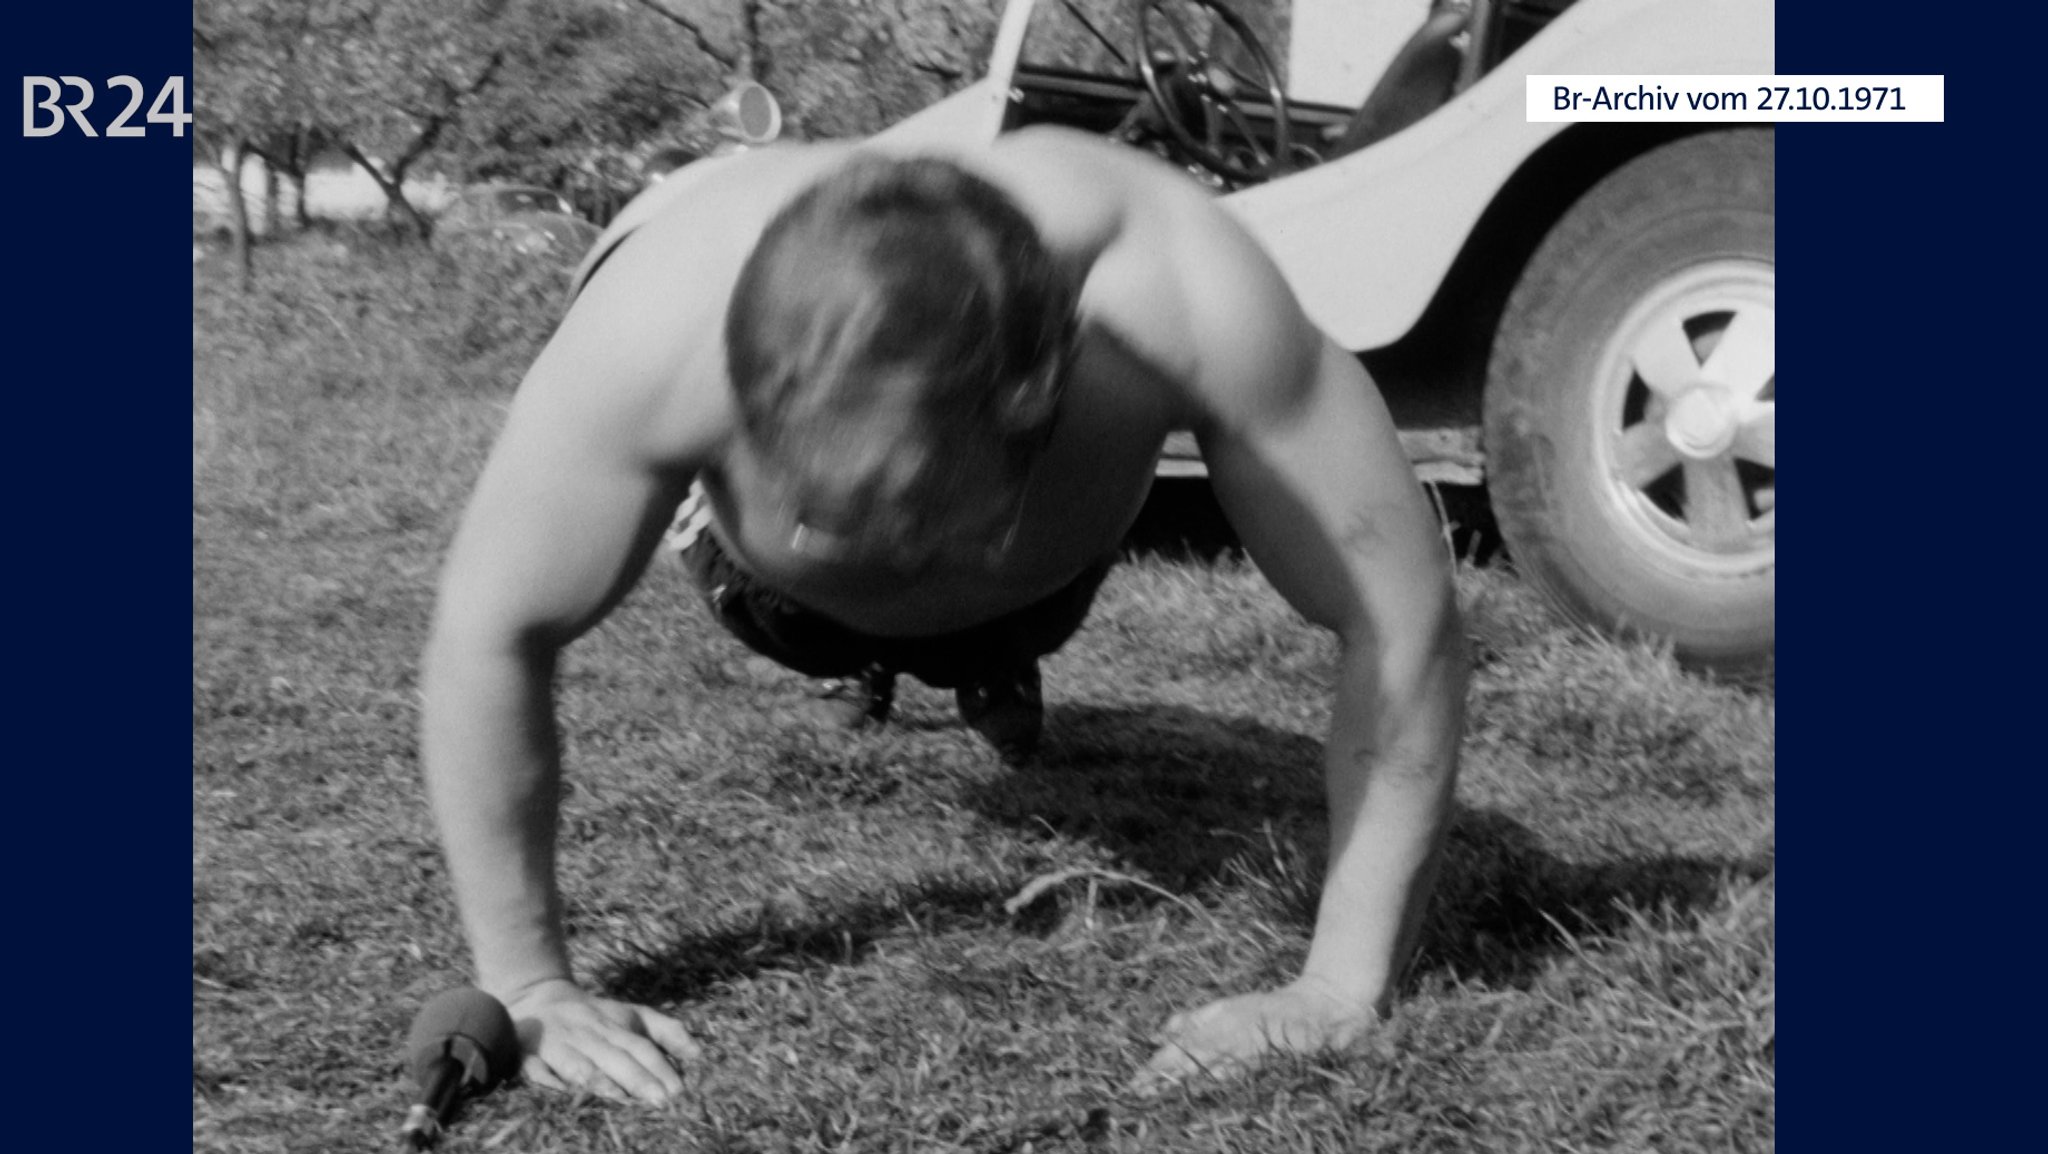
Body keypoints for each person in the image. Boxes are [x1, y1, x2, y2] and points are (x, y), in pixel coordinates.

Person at [420, 125, 1468, 1106]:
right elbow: (487, 630)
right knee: (830, 591)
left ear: (1033, 395)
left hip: (1034, 587)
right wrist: (528, 982)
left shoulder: (1179, 282)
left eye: (916, 506)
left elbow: (1402, 614)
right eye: (836, 507)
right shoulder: (657, 316)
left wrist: (1338, 984)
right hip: (778, 601)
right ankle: (890, 617)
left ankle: (991, 651)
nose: (887, 541)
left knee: (1002, 612)